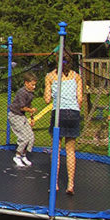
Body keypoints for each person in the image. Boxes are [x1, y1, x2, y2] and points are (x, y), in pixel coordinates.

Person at [44, 57, 85, 195]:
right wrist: (76, 110)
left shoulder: (50, 76)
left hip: (59, 113)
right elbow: (80, 99)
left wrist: (49, 90)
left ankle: (54, 183)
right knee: (70, 150)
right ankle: (70, 184)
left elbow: (47, 99)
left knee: (56, 149)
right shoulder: (76, 76)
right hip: (73, 113)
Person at [9, 73, 38, 167]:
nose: (34, 87)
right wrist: (31, 110)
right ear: (26, 83)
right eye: (32, 85)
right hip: (14, 115)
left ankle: (23, 155)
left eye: (35, 85)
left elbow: (29, 106)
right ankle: (17, 156)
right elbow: (22, 107)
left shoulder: (30, 93)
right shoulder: (22, 92)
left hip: (22, 116)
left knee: (31, 136)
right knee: (24, 137)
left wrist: (32, 118)